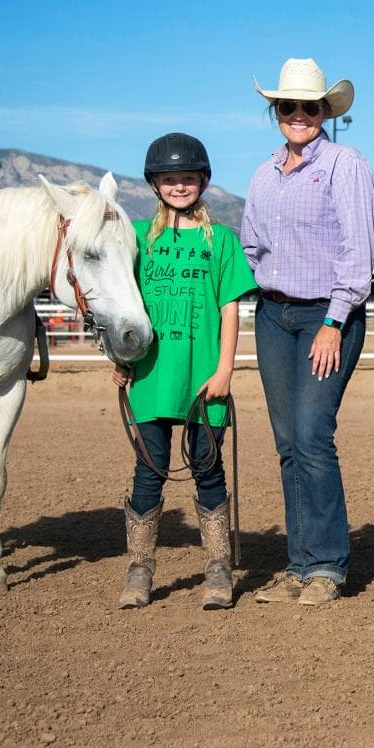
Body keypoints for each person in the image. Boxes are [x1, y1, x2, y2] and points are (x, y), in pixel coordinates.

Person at [242, 58, 374, 607]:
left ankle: (326, 566)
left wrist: (333, 321)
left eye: (309, 107)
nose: (298, 115)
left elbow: (358, 251)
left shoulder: (346, 165)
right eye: (287, 106)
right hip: (274, 318)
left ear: (325, 111)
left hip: (327, 316)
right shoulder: (262, 173)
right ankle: (297, 565)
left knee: (313, 436)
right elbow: (251, 242)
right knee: (288, 444)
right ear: (276, 112)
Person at [115, 132, 257, 610]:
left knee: (208, 471)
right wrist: (118, 360)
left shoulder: (223, 243)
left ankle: (218, 568)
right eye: (170, 179)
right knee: (147, 474)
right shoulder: (134, 238)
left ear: (203, 182)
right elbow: (117, 304)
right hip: (151, 377)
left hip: (204, 379)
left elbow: (231, 310)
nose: (179, 186)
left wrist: (225, 372)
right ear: (155, 185)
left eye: (188, 178)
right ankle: (140, 569)